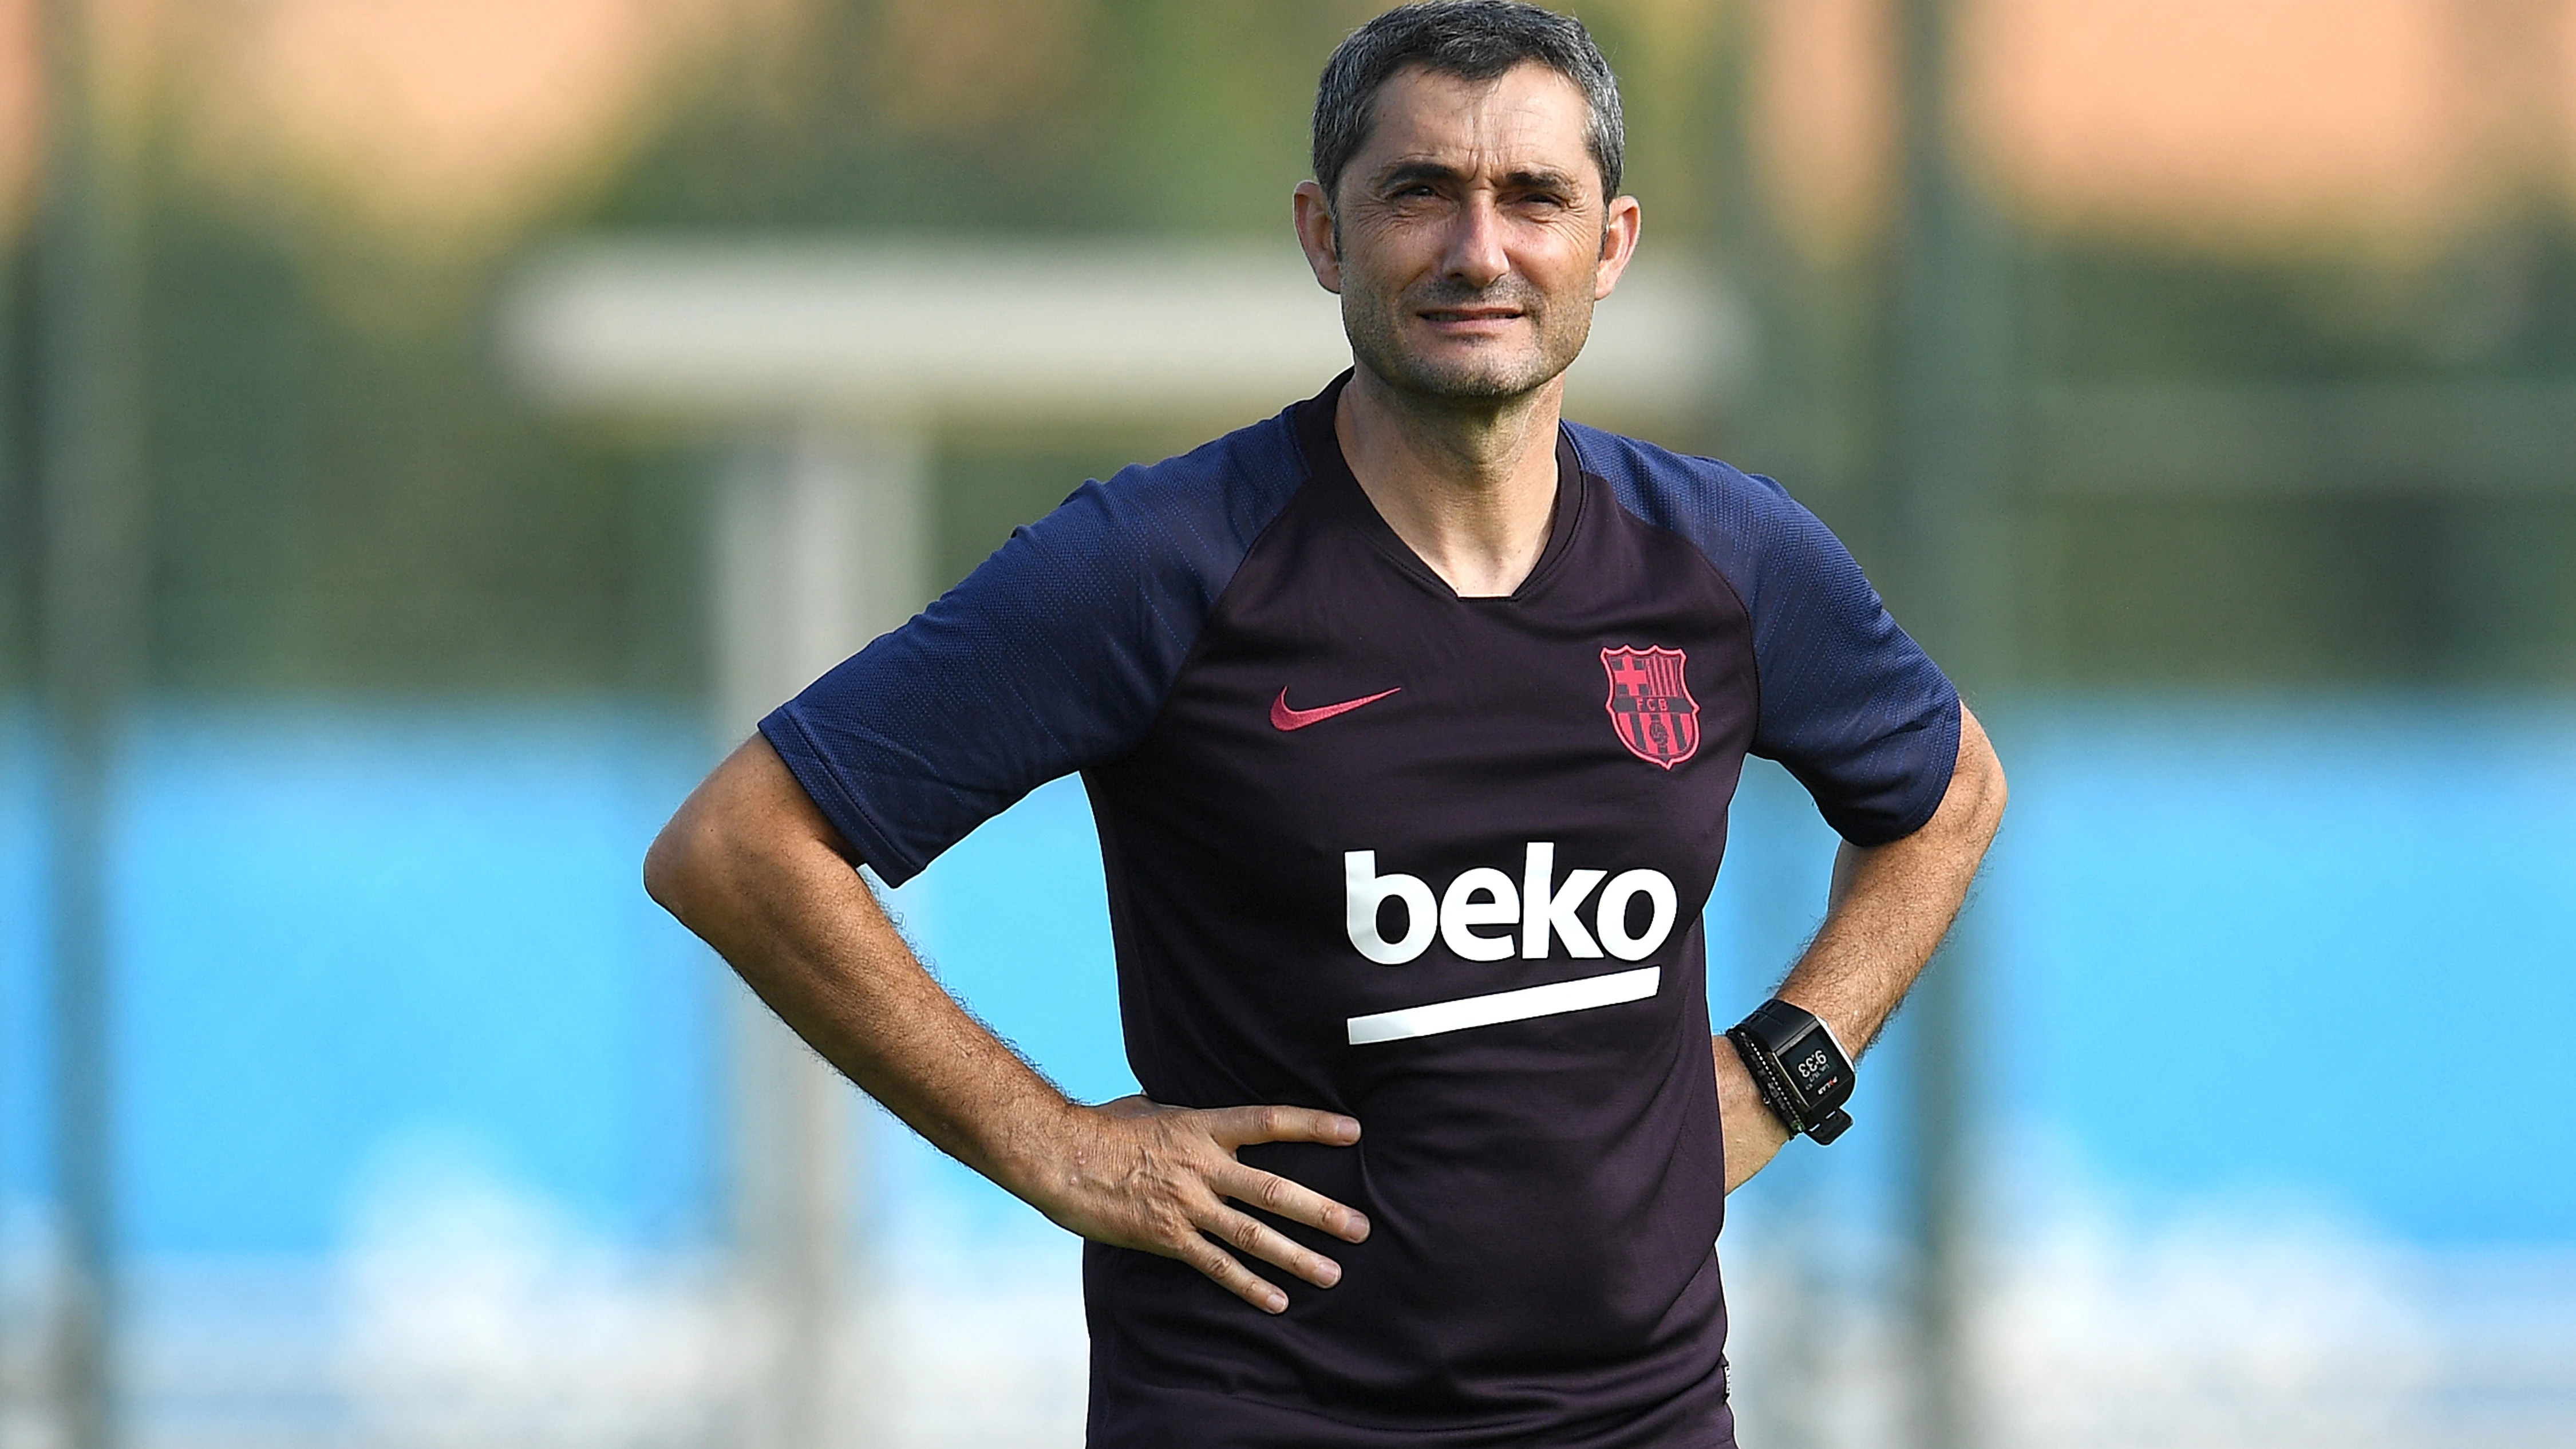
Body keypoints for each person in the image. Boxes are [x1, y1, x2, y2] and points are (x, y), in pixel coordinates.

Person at [646, 2, 2006, 1444]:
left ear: (1610, 245)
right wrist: (1049, 1144)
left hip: (1638, 1414)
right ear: (1323, 235)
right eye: (1420, 193)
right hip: (1259, 1409)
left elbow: (1950, 791)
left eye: (1534, 198)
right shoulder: (1162, 561)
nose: (1480, 250)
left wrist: (1790, 1065)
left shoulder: (1728, 559)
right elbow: (738, 843)